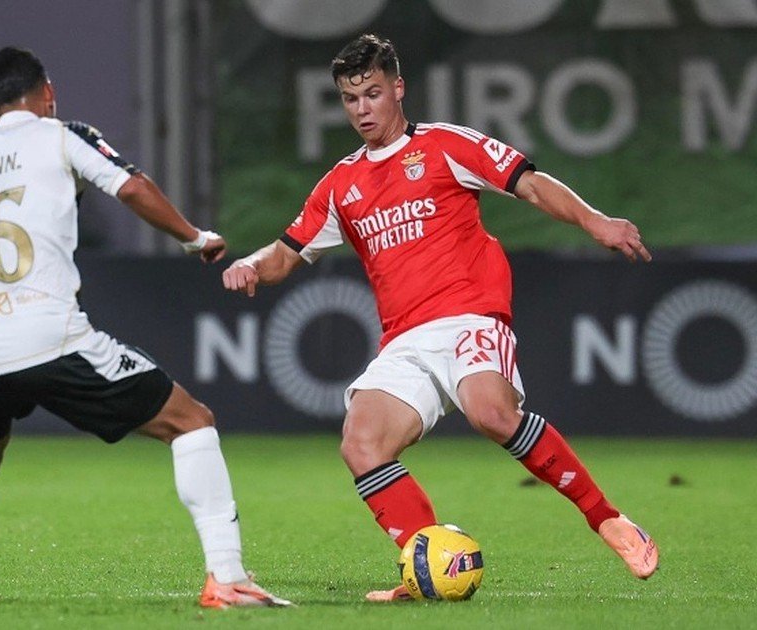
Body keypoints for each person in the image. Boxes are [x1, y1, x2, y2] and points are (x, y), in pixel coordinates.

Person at [221, 34, 658, 601]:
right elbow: (286, 252)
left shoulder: (446, 144)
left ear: (398, 89)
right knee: (361, 444)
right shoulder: (342, 184)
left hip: (470, 315)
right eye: (350, 99)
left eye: (372, 94)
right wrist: (251, 264)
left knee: (491, 413)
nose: (362, 109)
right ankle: (422, 564)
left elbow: (529, 184)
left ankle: (609, 521)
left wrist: (595, 221)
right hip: (405, 339)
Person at [0, 46, 290, 609]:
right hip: (51, 337)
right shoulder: (63, 134)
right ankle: (227, 577)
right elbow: (130, 187)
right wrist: (195, 237)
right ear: (48, 93)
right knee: (192, 422)